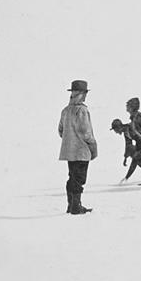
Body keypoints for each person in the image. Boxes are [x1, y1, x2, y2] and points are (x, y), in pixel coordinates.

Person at [58, 79, 97, 214]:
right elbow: (86, 133)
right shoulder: (82, 110)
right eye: (85, 93)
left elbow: (60, 130)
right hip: (81, 151)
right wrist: (93, 146)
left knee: (72, 177)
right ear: (81, 94)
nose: (86, 95)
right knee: (79, 178)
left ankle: (71, 205)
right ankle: (76, 207)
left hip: (69, 151)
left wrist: (70, 140)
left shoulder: (65, 110)